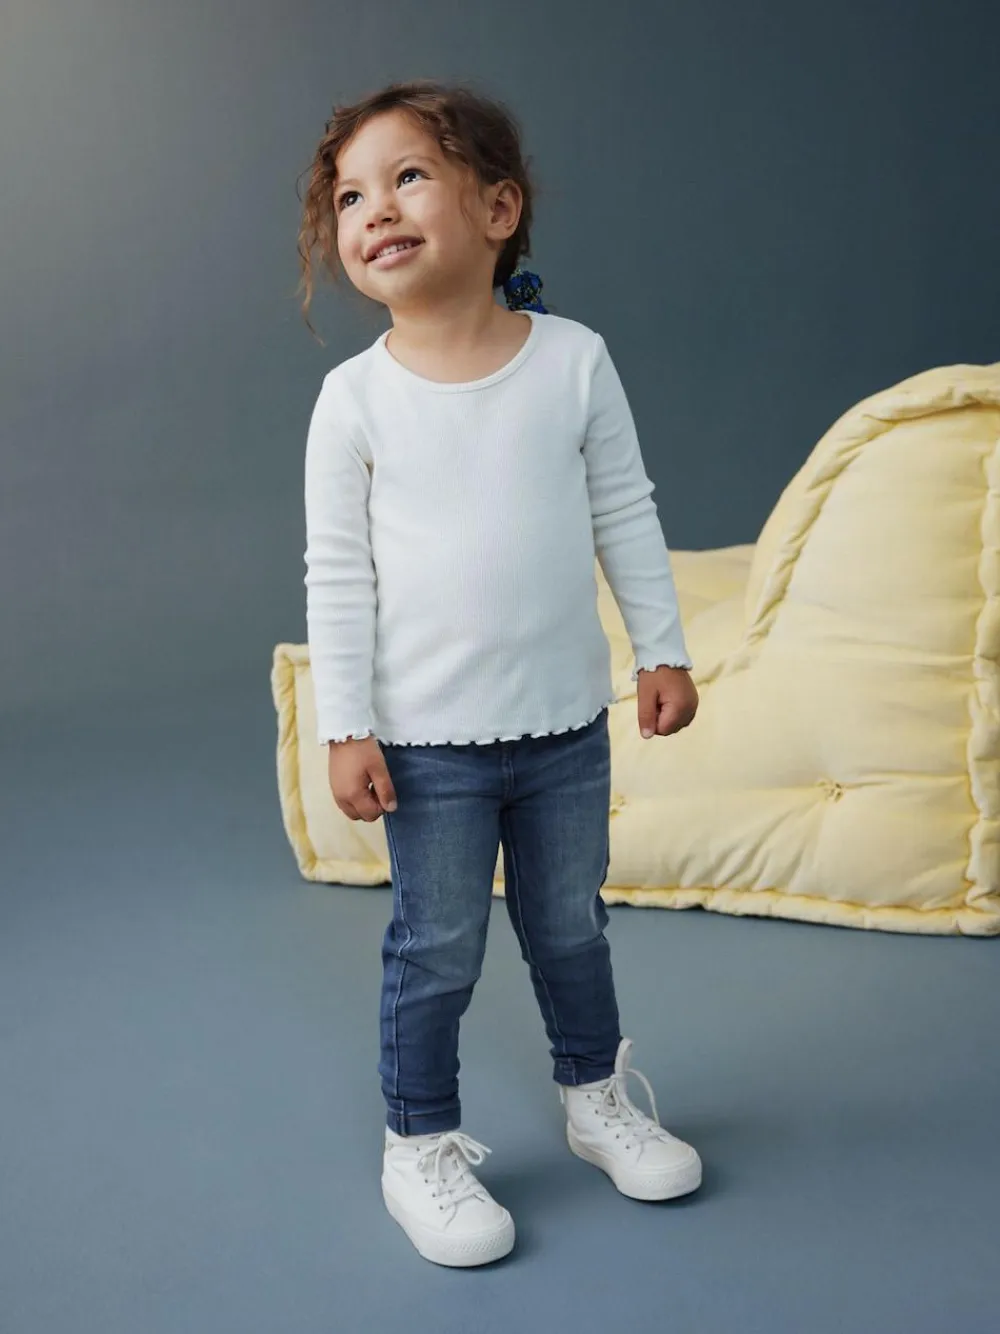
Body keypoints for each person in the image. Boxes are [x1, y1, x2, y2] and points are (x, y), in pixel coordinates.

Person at [296, 79, 702, 1268]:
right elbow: (338, 573)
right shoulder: (353, 400)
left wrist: (662, 647)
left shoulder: (572, 361)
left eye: (407, 177)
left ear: (497, 207)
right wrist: (344, 724)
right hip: (427, 747)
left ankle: (595, 1096)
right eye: (349, 196)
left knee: (571, 925)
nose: (374, 209)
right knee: (437, 948)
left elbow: (625, 508)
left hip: (565, 728)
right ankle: (417, 1141)